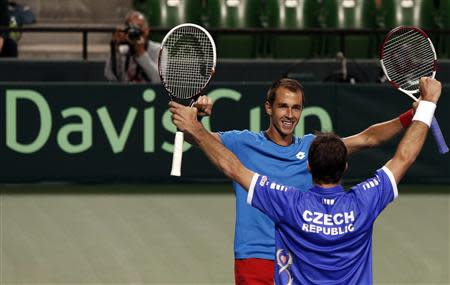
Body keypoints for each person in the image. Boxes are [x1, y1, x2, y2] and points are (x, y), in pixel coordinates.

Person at [170, 77, 441, 284]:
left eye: (296, 108)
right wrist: (196, 118)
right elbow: (202, 141)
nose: (289, 115)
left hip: (297, 258)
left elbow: (369, 138)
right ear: (269, 108)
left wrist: (410, 116)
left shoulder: (315, 147)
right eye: (283, 107)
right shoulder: (241, 142)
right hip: (254, 256)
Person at [104, 10, 160, 83]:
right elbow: (110, 76)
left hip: (149, 92)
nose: (135, 31)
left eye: (139, 27)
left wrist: (141, 54)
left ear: (146, 30)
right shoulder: (123, 49)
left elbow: (159, 80)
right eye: (131, 27)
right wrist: (115, 48)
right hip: (126, 92)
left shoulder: (158, 50)